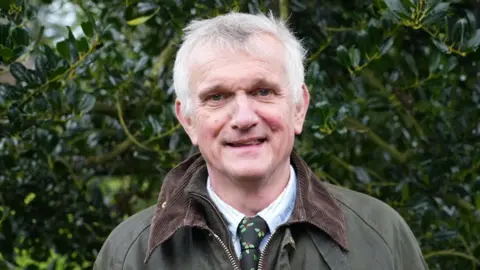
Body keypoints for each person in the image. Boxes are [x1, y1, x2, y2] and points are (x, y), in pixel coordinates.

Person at [93, 12, 428, 270]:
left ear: (299, 108)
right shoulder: (129, 253)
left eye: (263, 91)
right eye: (217, 97)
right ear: (188, 120)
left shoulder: (382, 236)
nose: (243, 118)